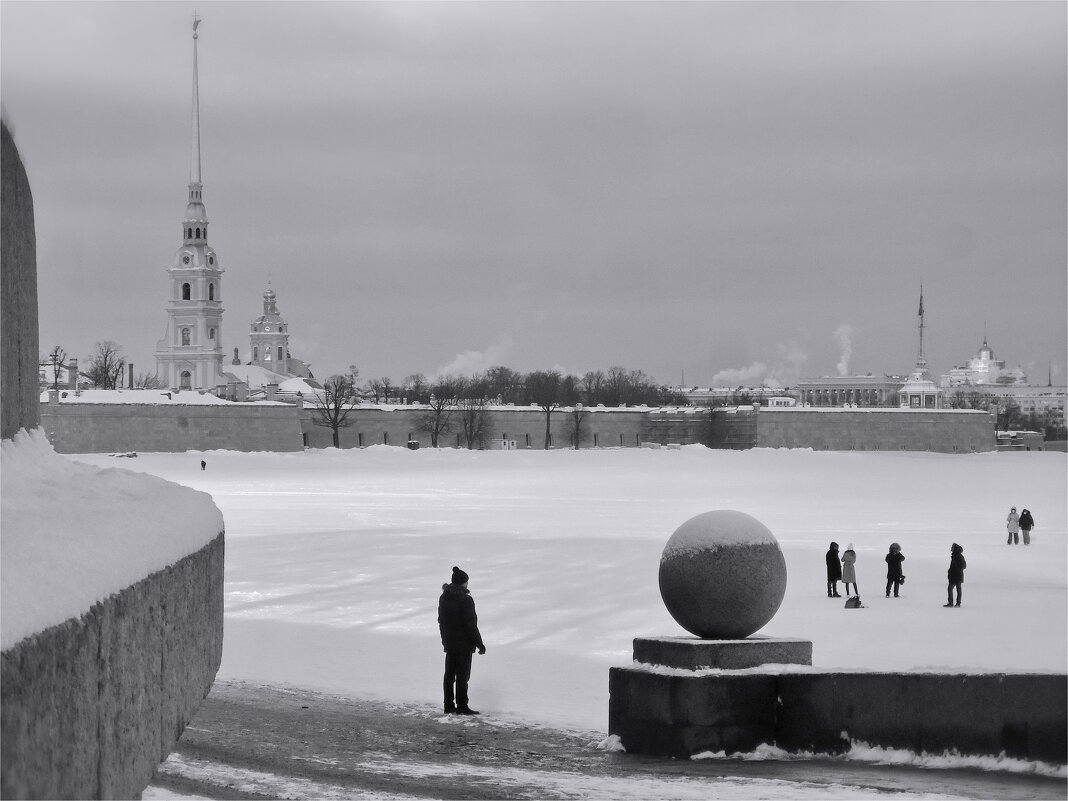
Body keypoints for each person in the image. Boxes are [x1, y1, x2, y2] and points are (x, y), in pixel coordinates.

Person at [437, 565, 486, 715]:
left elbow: (441, 621)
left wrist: (445, 640)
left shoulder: (444, 597)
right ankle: (462, 706)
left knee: (449, 675)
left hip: (450, 644)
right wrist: (479, 644)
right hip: (464, 645)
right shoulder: (465, 600)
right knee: (463, 677)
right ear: (463, 583)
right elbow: (470, 624)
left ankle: (448, 706)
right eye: (466, 582)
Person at [945, 543, 966, 607]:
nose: (951, 549)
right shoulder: (954, 556)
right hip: (954, 576)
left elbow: (964, 566)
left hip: (957, 576)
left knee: (957, 589)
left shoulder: (959, 556)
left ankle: (958, 603)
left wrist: (955, 570)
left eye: (952, 547)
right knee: (950, 589)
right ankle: (951, 603)